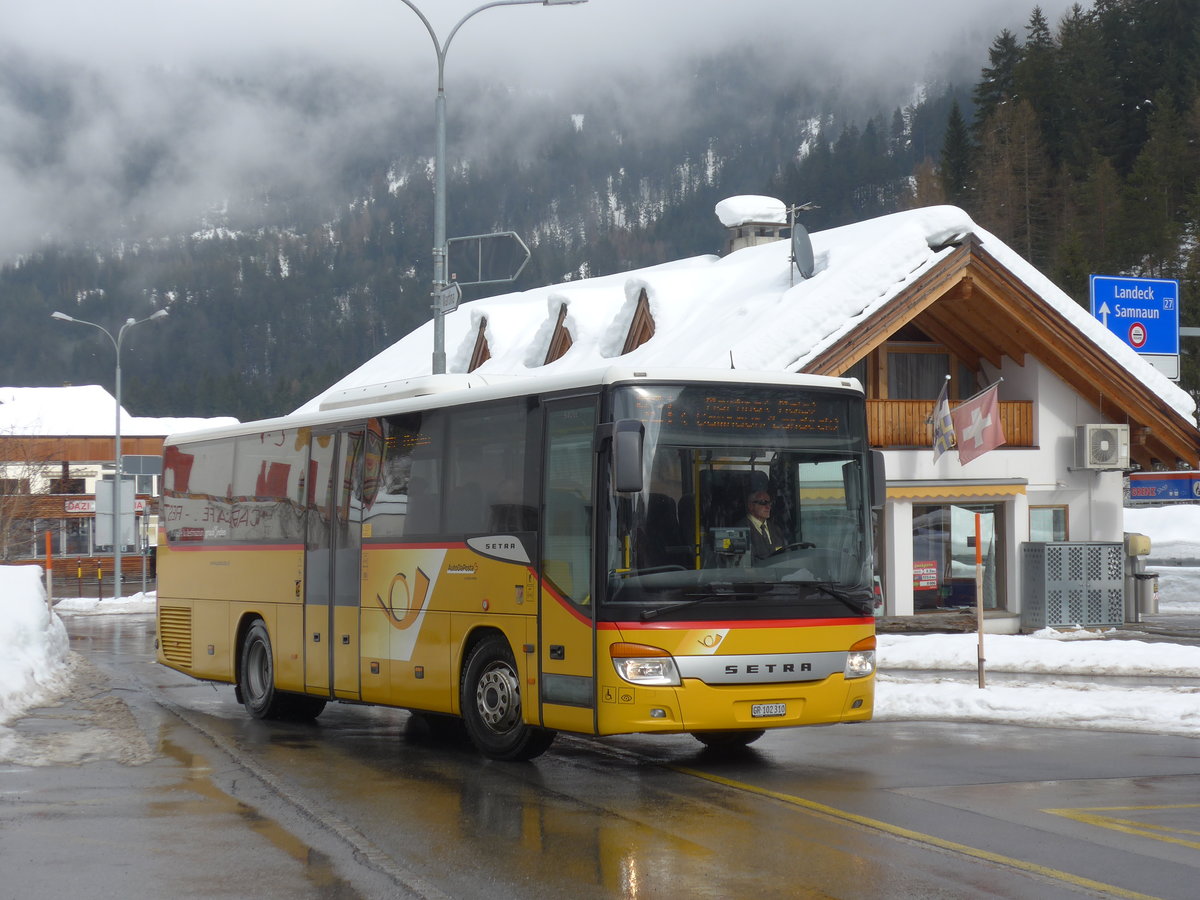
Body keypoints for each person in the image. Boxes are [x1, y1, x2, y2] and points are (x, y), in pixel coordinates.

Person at [739, 490, 783, 560]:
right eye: (763, 502)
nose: (768, 507)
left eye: (770, 503)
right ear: (751, 506)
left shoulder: (776, 529)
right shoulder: (740, 531)